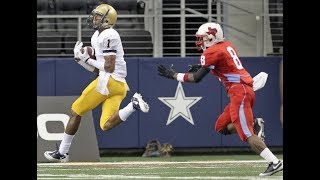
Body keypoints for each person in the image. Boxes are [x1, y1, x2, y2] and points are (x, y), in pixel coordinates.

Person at [157, 22, 282, 176]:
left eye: (202, 38)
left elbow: (196, 79)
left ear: (211, 37)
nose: (200, 41)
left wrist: (174, 75)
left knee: (247, 135)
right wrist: (204, 68)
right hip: (242, 90)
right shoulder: (225, 45)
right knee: (221, 127)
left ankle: (274, 162)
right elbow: (223, 66)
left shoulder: (212, 52)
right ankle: (254, 124)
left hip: (240, 92)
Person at [44, 3, 150, 162]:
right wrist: (81, 61)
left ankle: (62, 152)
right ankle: (133, 105)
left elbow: (108, 67)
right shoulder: (97, 36)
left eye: (98, 16)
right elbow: (97, 70)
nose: (94, 18)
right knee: (106, 124)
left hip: (109, 81)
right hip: (118, 85)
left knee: (76, 110)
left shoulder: (109, 35)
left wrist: (87, 59)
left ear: (107, 20)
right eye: (94, 15)